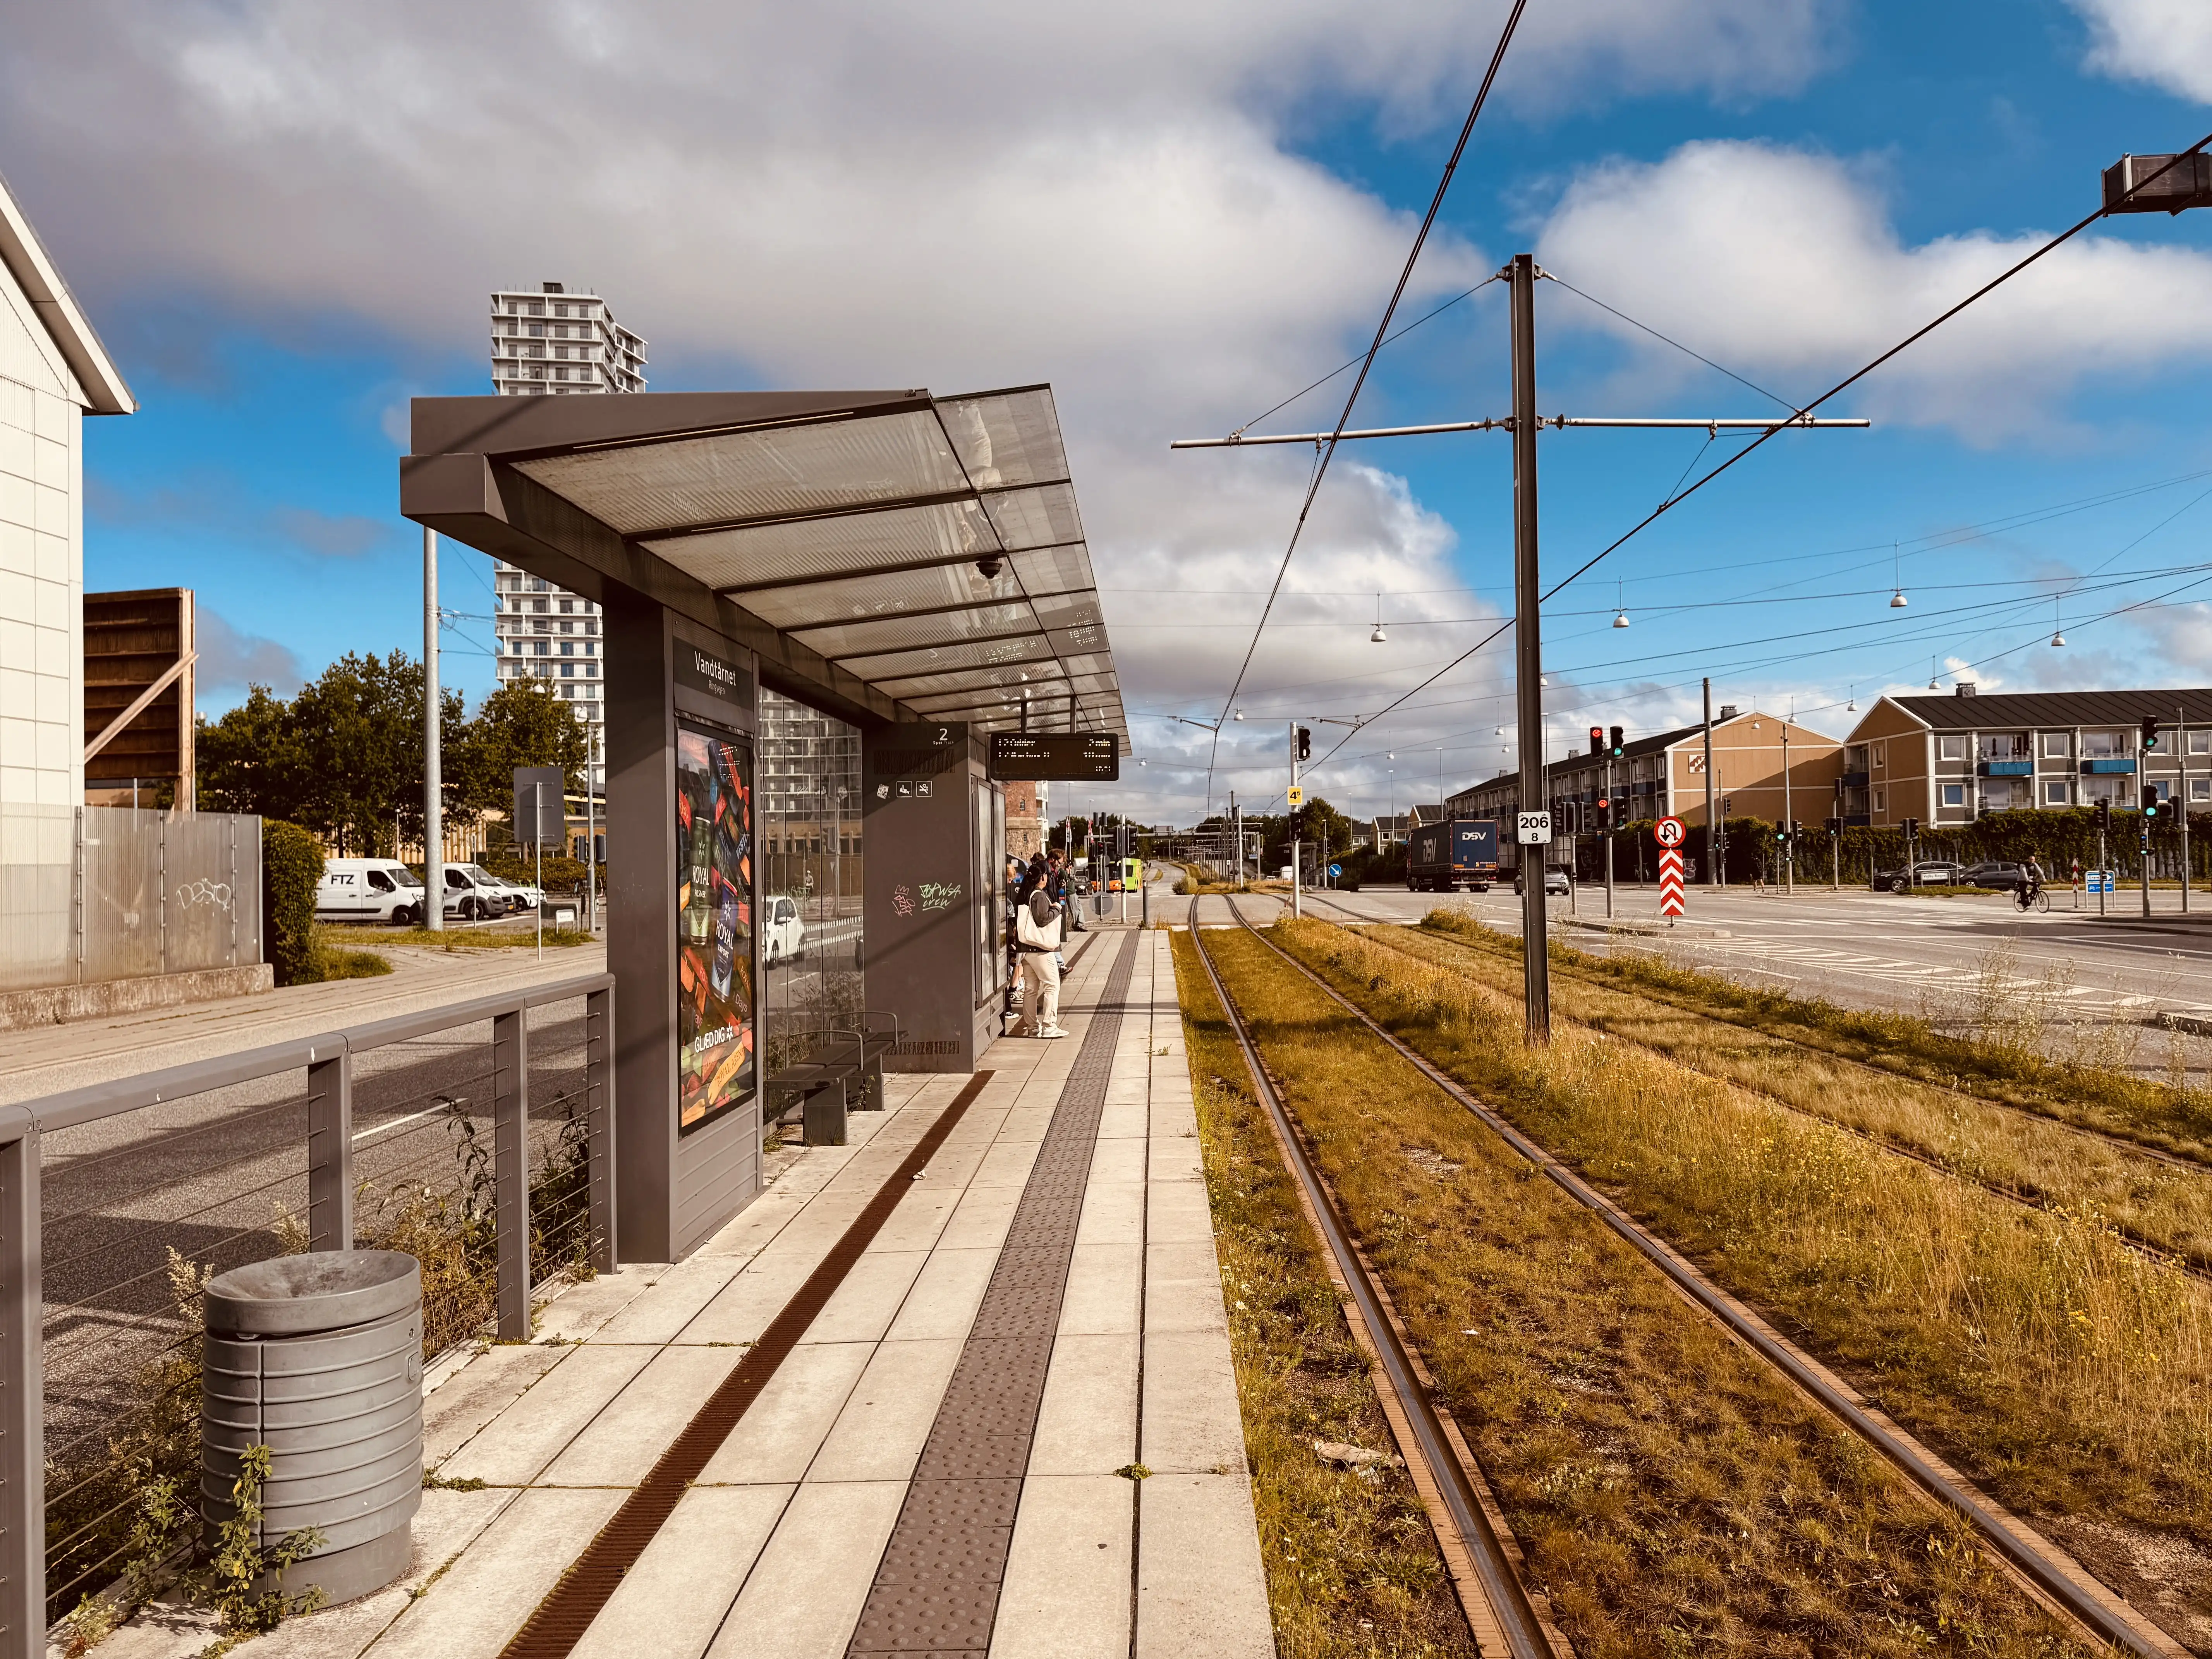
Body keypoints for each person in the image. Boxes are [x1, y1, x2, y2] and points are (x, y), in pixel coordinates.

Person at [1013, 878, 1068, 1038]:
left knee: (1031, 989)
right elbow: (1043, 919)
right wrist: (1057, 909)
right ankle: (1049, 1026)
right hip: (1039, 949)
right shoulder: (1039, 895)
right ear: (1042, 878)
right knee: (1053, 984)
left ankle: (1032, 1028)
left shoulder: (1024, 895)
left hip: (1025, 950)